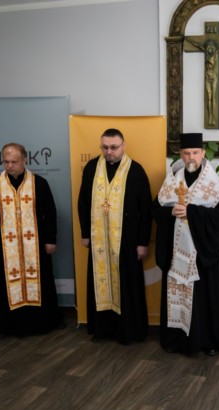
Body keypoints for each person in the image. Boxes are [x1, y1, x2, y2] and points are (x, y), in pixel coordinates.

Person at [153, 132, 219, 356]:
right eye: (186, 153)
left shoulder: (212, 183)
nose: (191, 157)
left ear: (203, 153)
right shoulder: (172, 179)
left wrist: (192, 212)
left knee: (204, 299)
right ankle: (176, 339)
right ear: (181, 154)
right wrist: (170, 213)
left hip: (202, 256)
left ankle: (207, 342)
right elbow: (156, 209)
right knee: (176, 294)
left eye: (195, 152)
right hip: (176, 253)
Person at [0, 143, 64, 338]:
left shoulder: (39, 183)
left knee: (43, 281)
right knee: (8, 285)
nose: (9, 166)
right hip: (6, 246)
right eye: (6, 162)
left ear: (25, 160)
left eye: (14, 162)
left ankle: (47, 322)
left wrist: (51, 239)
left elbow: (50, 213)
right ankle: (8, 327)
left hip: (37, 245)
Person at [78, 128, 152, 344]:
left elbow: (146, 210)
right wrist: (85, 233)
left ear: (123, 146)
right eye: (105, 147)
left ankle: (128, 332)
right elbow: (83, 202)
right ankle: (102, 330)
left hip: (127, 240)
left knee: (127, 285)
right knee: (100, 282)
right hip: (98, 238)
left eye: (113, 147)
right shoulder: (92, 168)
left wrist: (143, 242)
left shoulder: (136, 171)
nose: (109, 152)